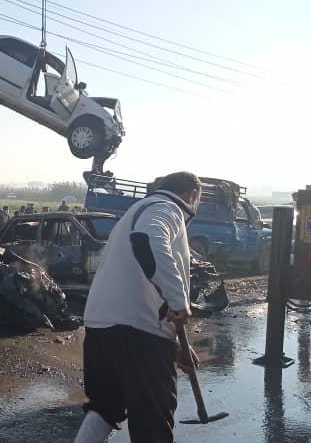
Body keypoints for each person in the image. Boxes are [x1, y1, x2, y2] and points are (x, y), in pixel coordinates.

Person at [74, 172, 202, 443]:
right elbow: (147, 239)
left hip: (101, 326)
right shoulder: (168, 208)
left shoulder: (136, 209)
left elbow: (139, 280)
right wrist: (179, 301)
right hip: (139, 333)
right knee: (153, 423)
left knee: (106, 409)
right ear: (191, 196)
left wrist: (177, 344)